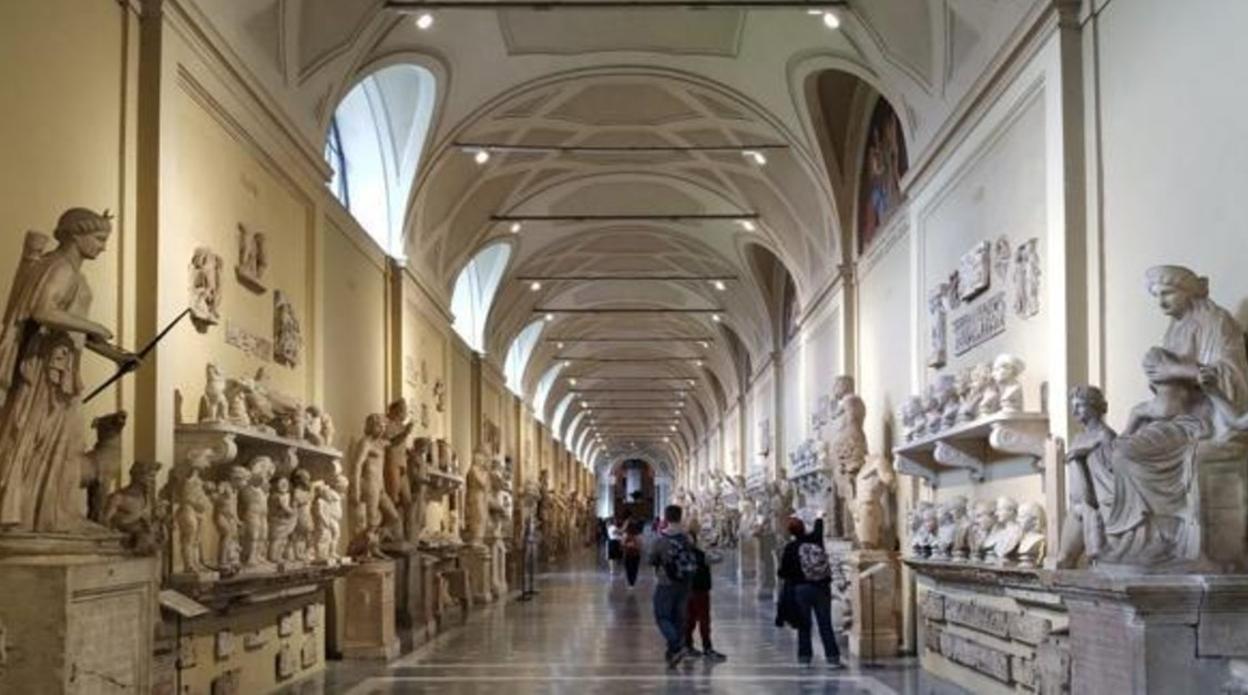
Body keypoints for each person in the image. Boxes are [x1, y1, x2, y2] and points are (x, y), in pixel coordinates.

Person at [777, 514, 844, 669]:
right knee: (825, 624)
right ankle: (832, 658)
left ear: (791, 533)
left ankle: (804, 658)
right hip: (821, 588)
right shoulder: (816, 540)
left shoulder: (791, 548)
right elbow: (819, 528)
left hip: (801, 590)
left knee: (804, 625)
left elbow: (782, 573)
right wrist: (819, 517)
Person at [650, 504, 696, 667]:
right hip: (685, 582)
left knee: (662, 615)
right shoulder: (688, 538)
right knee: (679, 617)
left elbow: (651, 560)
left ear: (666, 518)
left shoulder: (661, 540)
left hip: (666, 582)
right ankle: (672, 653)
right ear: (680, 516)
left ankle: (677, 645)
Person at [683, 531, 727, 662]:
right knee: (703, 619)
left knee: (689, 619)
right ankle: (707, 648)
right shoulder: (701, 555)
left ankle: (687, 646)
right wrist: (714, 547)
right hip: (700, 591)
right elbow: (719, 558)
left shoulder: (680, 554)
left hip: (686, 591)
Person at [622, 518, 644, 587]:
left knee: (628, 568)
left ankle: (630, 582)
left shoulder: (625, 534)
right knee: (635, 568)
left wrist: (628, 545)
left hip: (627, 554)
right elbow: (641, 545)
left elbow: (622, 544)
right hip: (636, 554)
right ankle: (632, 582)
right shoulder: (639, 535)